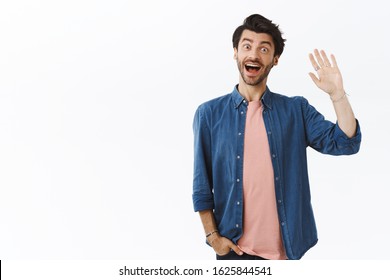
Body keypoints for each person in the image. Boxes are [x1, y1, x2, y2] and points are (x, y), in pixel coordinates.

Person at [192, 14, 362, 260]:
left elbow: (345, 142)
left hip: (287, 251)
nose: (253, 54)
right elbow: (201, 185)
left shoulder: (296, 110)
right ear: (235, 53)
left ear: (275, 59)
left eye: (264, 48)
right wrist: (213, 238)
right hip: (234, 250)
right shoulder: (208, 114)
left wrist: (338, 95)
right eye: (247, 46)